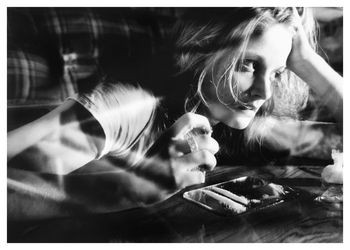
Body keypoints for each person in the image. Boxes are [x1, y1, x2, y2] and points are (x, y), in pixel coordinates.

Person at [7, 7, 342, 221]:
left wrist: (307, 62)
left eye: (277, 73)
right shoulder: (127, 108)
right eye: (247, 65)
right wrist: (126, 187)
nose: (263, 92)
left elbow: (339, 137)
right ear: (201, 49)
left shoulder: (233, 120)